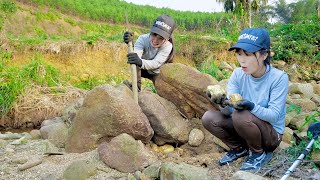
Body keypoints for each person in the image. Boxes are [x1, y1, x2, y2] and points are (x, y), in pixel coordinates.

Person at [202, 28, 289, 172]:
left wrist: (251, 106)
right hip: (245, 126)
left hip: (271, 135)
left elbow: (274, 115)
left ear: (263, 55)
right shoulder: (238, 74)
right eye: (239, 54)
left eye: (248, 55)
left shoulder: (279, 78)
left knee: (241, 115)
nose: (242, 60)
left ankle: (258, 154)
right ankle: (239, 148)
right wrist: (222, 102)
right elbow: (229, 110)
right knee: (209, 117)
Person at [123, 14, 175, 90]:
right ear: (151, 31)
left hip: (157, 72)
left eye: (161, 38)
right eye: (154, 34)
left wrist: (140, 62)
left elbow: (155, 63)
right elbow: (136, 55)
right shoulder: (143, 39)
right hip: (143, 69)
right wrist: (130, 43)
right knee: (135, 61)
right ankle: (136, 87)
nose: (155, 40)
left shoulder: (168, 46)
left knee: (163, 91)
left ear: (167, 39)